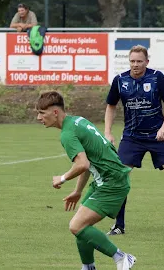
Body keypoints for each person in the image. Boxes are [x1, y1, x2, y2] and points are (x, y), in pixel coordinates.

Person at [105, 45, 164, 236]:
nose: (135, 65)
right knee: (120, 175)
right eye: (132, 61)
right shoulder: (120, 80)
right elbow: (111, 106)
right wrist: (107, 132)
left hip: (157, 136)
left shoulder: (157, 78)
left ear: (147, 62)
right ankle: (119, 225)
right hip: (132, 137)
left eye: (139, 61)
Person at [36, 90, 136, 270]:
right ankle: (88, 267)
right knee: (82, 226)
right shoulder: (77, 121)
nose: (38, 117)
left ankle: (122, 257)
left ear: (55, 112)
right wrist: (78, 190)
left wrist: (63, 178)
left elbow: (82, 164)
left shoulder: (67, 134)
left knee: (76, 226)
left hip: (112, 182)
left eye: (42, 113)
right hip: (106, 180)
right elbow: (89, 162)